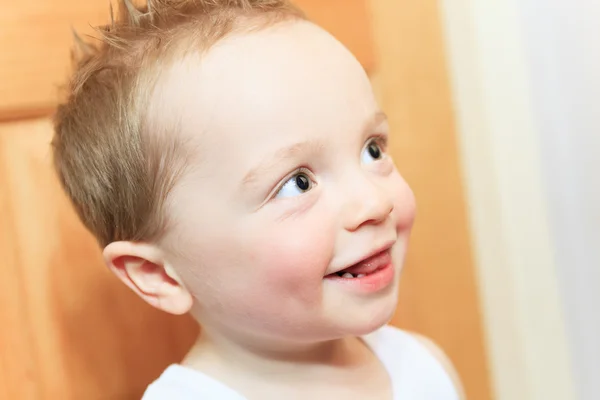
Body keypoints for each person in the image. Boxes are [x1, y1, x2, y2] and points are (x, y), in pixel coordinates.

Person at [52, 1, 465, 398]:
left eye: (372, 150)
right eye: (297, 183)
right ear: (158, 275)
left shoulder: (425, 369)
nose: (374, 202)